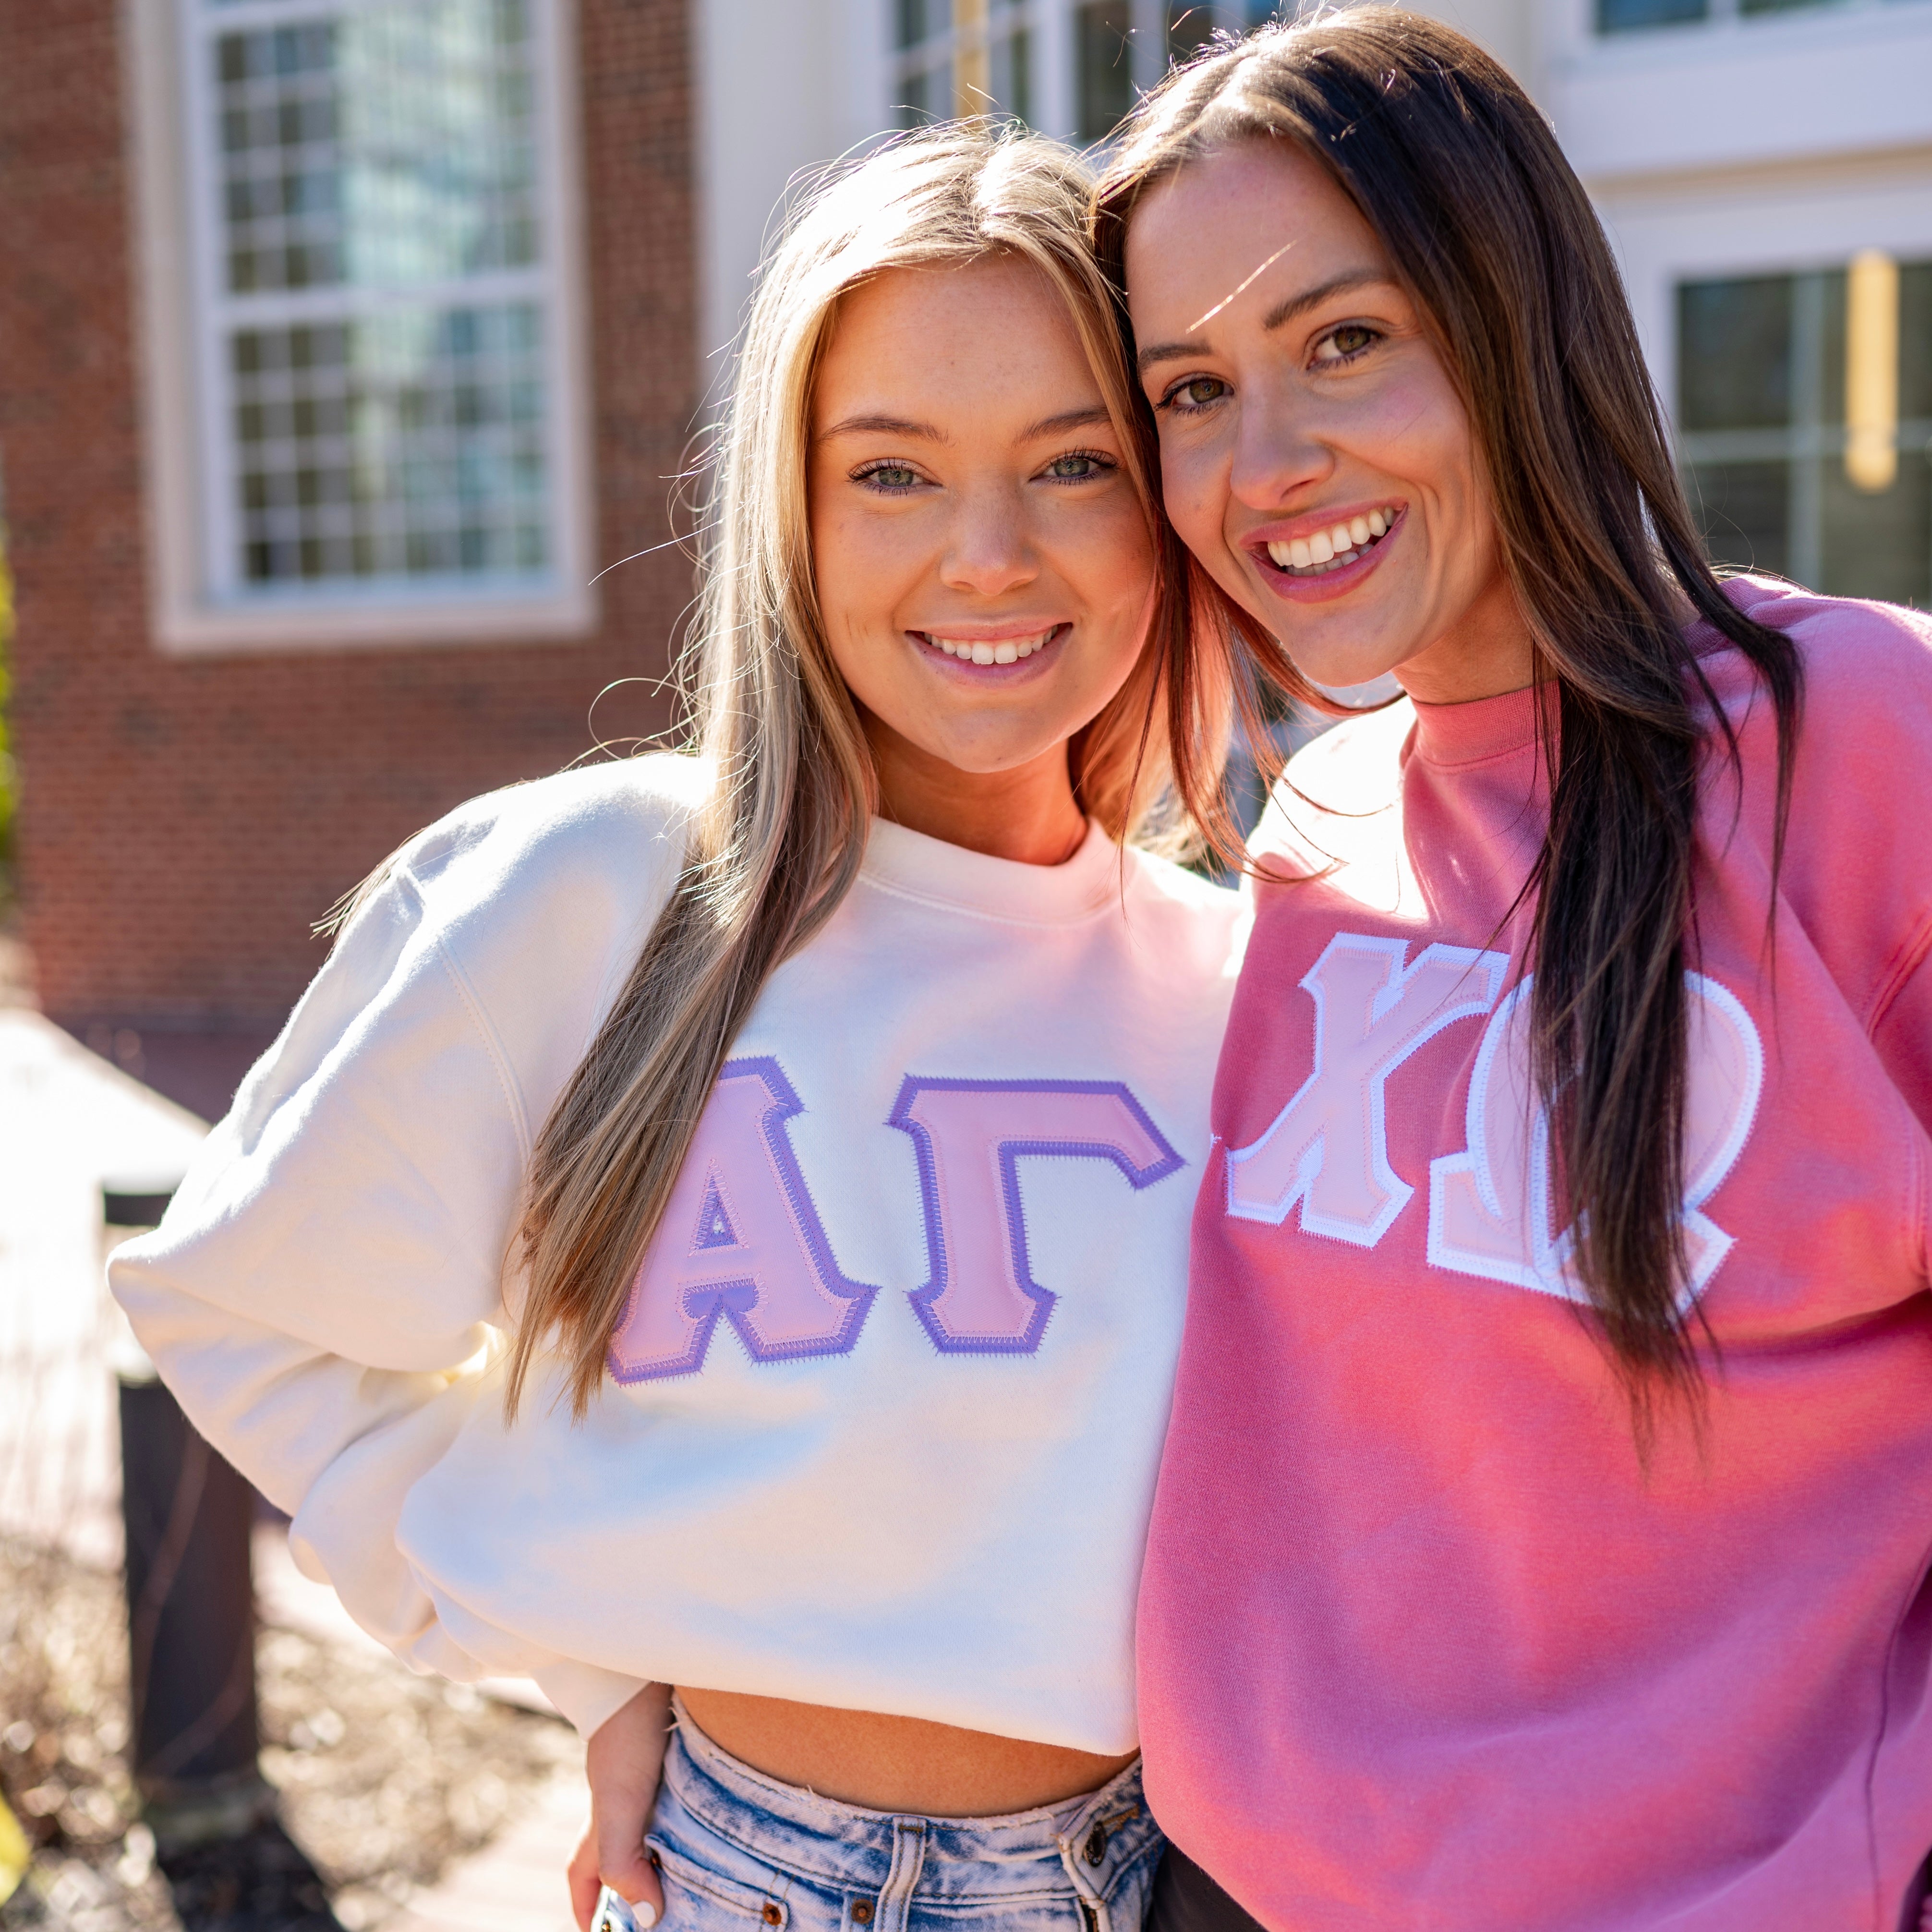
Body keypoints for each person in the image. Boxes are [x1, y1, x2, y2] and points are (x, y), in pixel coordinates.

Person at [111, 128, 1248, 1932]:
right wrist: (589, 1661)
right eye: (891, 470)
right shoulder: (604, 889)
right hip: (745, 1879)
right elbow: (245, 1309)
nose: (987, 555)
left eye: (1076, 462)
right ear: (788, 510)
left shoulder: (1252, 986)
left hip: (1171, 1879)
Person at [1091, 12, 1932, 1930]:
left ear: (1512, 317)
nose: (1267, 460)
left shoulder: (1863, 747)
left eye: (1344, 342)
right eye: (1190, 390)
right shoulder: (1310, 829)